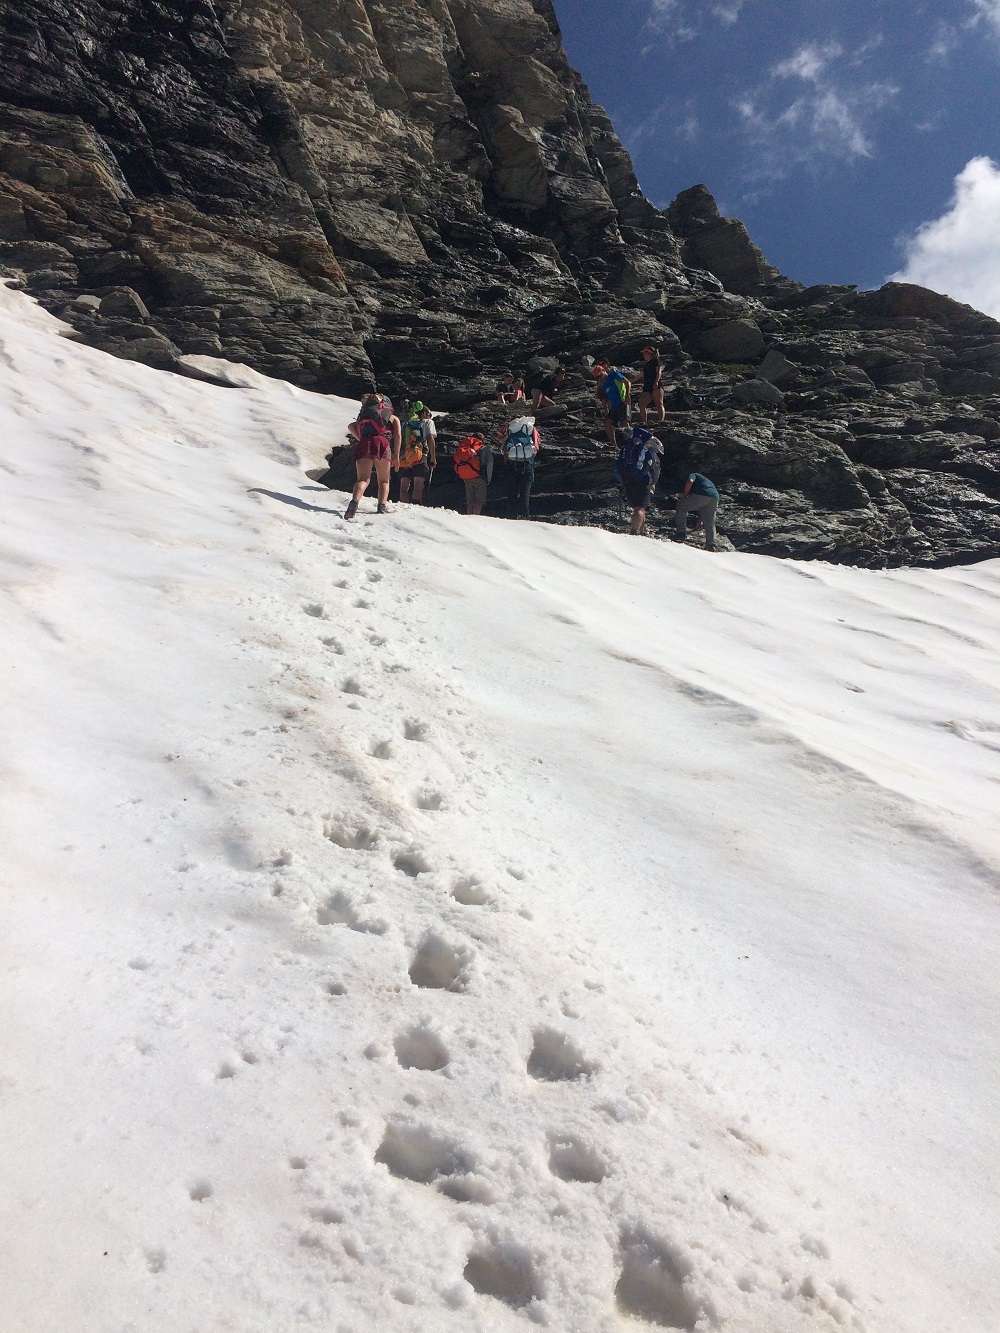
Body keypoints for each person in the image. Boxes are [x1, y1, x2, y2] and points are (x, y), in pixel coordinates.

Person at [345, 391, 400, 519]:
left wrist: (361, 438)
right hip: (382, 443)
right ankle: (381, 506)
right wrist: (396, 455)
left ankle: (354, 501)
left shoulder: (363, 414)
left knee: (363, 479)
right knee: (384, 480)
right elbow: (397, 435)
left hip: (364, 443)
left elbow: (351, 426)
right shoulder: (391, 416)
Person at [615, 425, 663, 535]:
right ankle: (635, 531)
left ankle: (641, 531)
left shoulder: (626, 448)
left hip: (628, 479)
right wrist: (652, 482)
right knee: (640, 508)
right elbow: (653, 470)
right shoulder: (648, 451)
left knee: (639, 508)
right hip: (643, 481)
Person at [397, 400, 436, 504]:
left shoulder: (406, 422)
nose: (430, 417)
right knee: (418, 483)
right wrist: (433, 457)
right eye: (429, 414)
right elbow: (430, 438)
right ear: (423, 413)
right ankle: (416, 504)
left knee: (404, 485)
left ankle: (404, 505)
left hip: (404, 455)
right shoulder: (428, 422)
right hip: (419, 454)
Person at [502, 415, 540, 519]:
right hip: (527, 465)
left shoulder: (510, 430)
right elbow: (536, 447)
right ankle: (525, 515)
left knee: (512, 492)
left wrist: (507, 463)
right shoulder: (531, 430)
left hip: (512, 465)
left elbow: (504, 448)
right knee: (525, 492)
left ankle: (511, 515)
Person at [673, 471, 720, 550]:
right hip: (715, 498)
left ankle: (681, 532)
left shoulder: (694, 474)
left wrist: (684, 495)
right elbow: (703, 507)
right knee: (710, 522)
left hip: (703, 494)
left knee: (681, 507)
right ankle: (711, 544)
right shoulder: (706, 482)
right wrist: (700, 520)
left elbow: (690, 481)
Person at [453, 434, 494, 515]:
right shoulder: (485, 449)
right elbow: (490, 464)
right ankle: (475, 517)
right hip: (480, 477)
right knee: (479, 500)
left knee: (470, 500)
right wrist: (488, 479)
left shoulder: (465, 447)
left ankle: (469, 516)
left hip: (466, 478)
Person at [594, 364, 631, 445]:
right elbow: (606, 400)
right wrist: (606, 411)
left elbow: (627, 382)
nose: (599, 378)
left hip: (622, 402)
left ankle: (630, 442)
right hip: (614, 407)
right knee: (608, 423)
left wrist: (627, 395)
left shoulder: (614, 375)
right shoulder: (604, 386)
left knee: (624, 423)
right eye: (597, 378)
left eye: (599, 375)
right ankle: (613, 444)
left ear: (604, 371)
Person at [638, 346, 665, 423]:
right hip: (647, 386)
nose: (643, 355)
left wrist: (656, 381)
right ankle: (644, 422)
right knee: (642, 405)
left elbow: (659, 372)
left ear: (649, 353)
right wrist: (631, 381)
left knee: (659, 403)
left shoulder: (656, 361)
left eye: (645, 353)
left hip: (655, 384)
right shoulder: (646, 365)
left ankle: (661, 421)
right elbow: (640, 375)